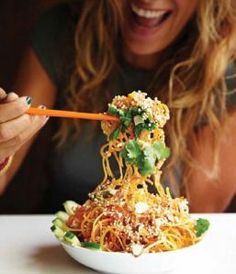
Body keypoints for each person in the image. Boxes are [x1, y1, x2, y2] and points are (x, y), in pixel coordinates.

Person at [0, 0, 235, 213]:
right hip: (55, 242)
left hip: (159, 253)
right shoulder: (63, 31)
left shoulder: (227, 73)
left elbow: (198, 222)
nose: (148, 0)